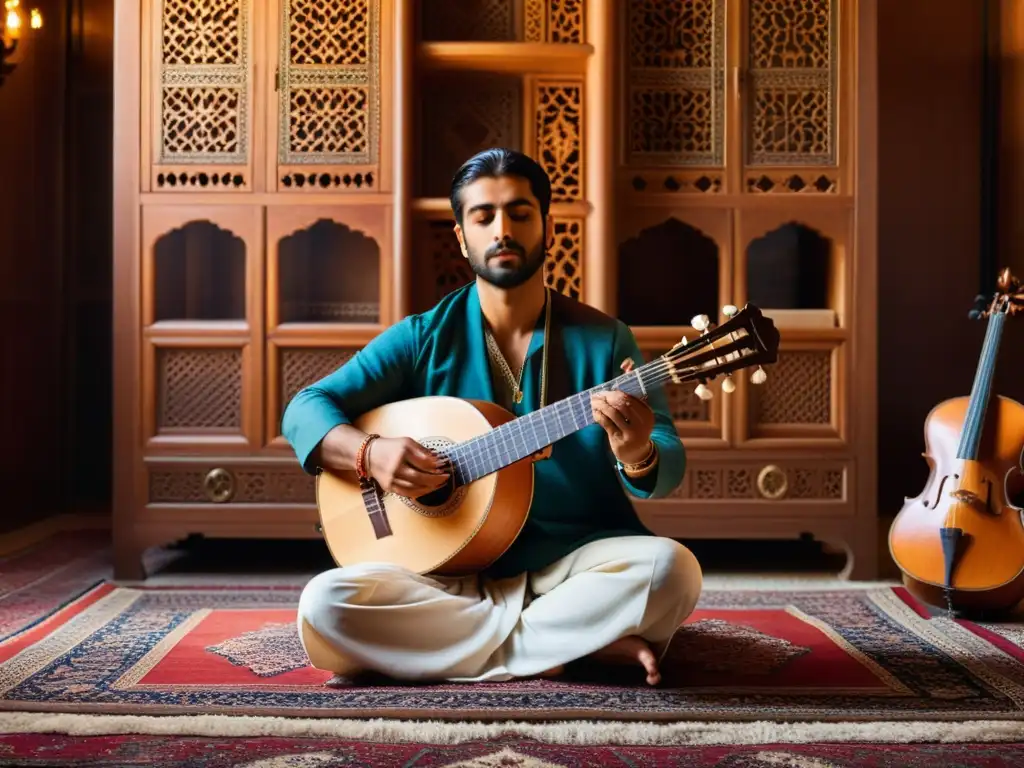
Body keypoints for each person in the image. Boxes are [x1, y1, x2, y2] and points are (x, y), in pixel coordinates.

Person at [282, 148, 702, 687]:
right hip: (443, 573)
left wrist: (639, 452)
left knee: (672, 570)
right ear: (462, 237)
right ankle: (574, 647)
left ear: (547, 229)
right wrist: (371, 453)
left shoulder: (605, 339)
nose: (503, 229)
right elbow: (305, 409)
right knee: (325, 605)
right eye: (483, 217)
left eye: (520, 213)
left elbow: (665, 456)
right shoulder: (422, 338)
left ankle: (485, 644)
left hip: (571, 565)